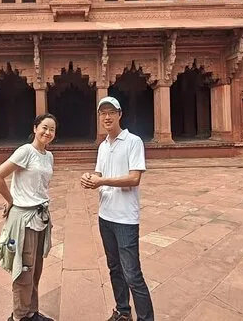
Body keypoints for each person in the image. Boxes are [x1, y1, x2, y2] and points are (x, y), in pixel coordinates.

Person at [81, 97, 154, 321]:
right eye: (103, 113)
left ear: (120, 114)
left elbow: (134, 178)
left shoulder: (133, 141)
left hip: (125, 219)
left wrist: (102, 181)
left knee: (132, 274)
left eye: (111, 112)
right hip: (105, 216)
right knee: (114, 268)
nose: (107, 117)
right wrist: (90, 178)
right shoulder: (103, 146)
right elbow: (99, 174)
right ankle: (123, 311)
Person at [0, 113, 58, 321]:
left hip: (40, 216)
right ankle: (19, 316)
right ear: (35, 128)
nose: (48, 132)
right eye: (44, 127)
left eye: (52, 129)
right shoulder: (26, 151)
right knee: (24, 269)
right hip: (25, 219)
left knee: (36, 269)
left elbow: (36, 185)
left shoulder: (48, 156)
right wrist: (11, 200)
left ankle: (31, 312)